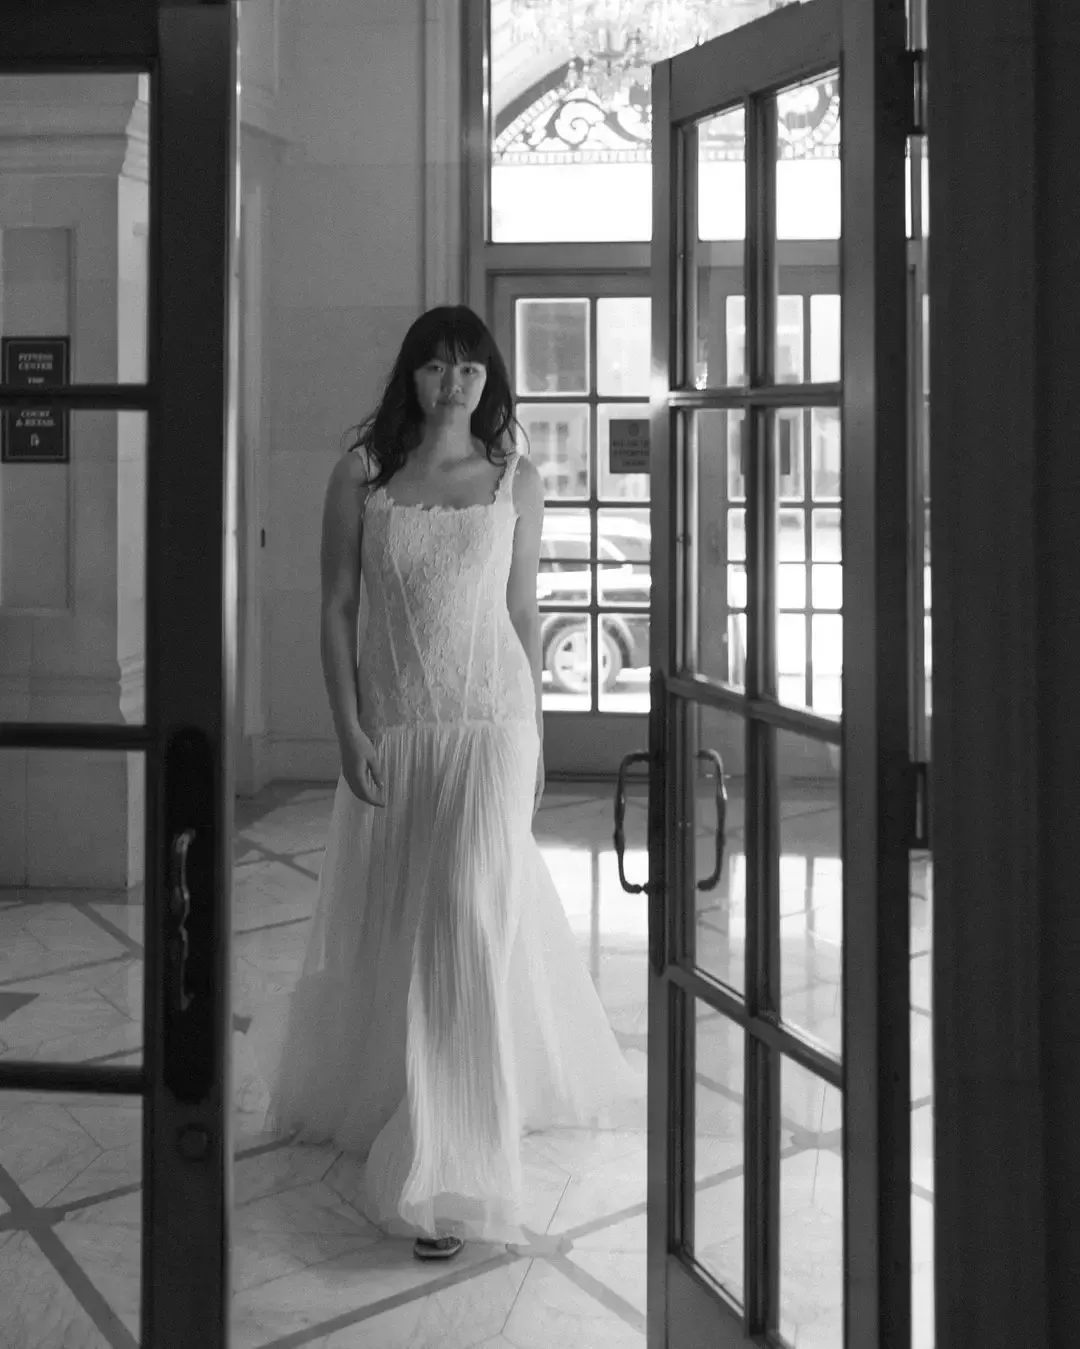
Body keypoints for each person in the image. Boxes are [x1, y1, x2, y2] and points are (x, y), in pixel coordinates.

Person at [259, 305, 641, 1262]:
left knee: (467, 915)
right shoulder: (363, 477)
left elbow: (522, 609)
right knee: (407, 918)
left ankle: (449, 1169)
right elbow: (338, 606)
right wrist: (346, 727)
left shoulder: (518, 478)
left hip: (492, 726)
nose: (453, 382)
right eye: (435, 366)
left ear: (489, 379)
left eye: (469, 367)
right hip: (399, 727)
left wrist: (539, 735)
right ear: (411, 376)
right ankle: (413, 1091)